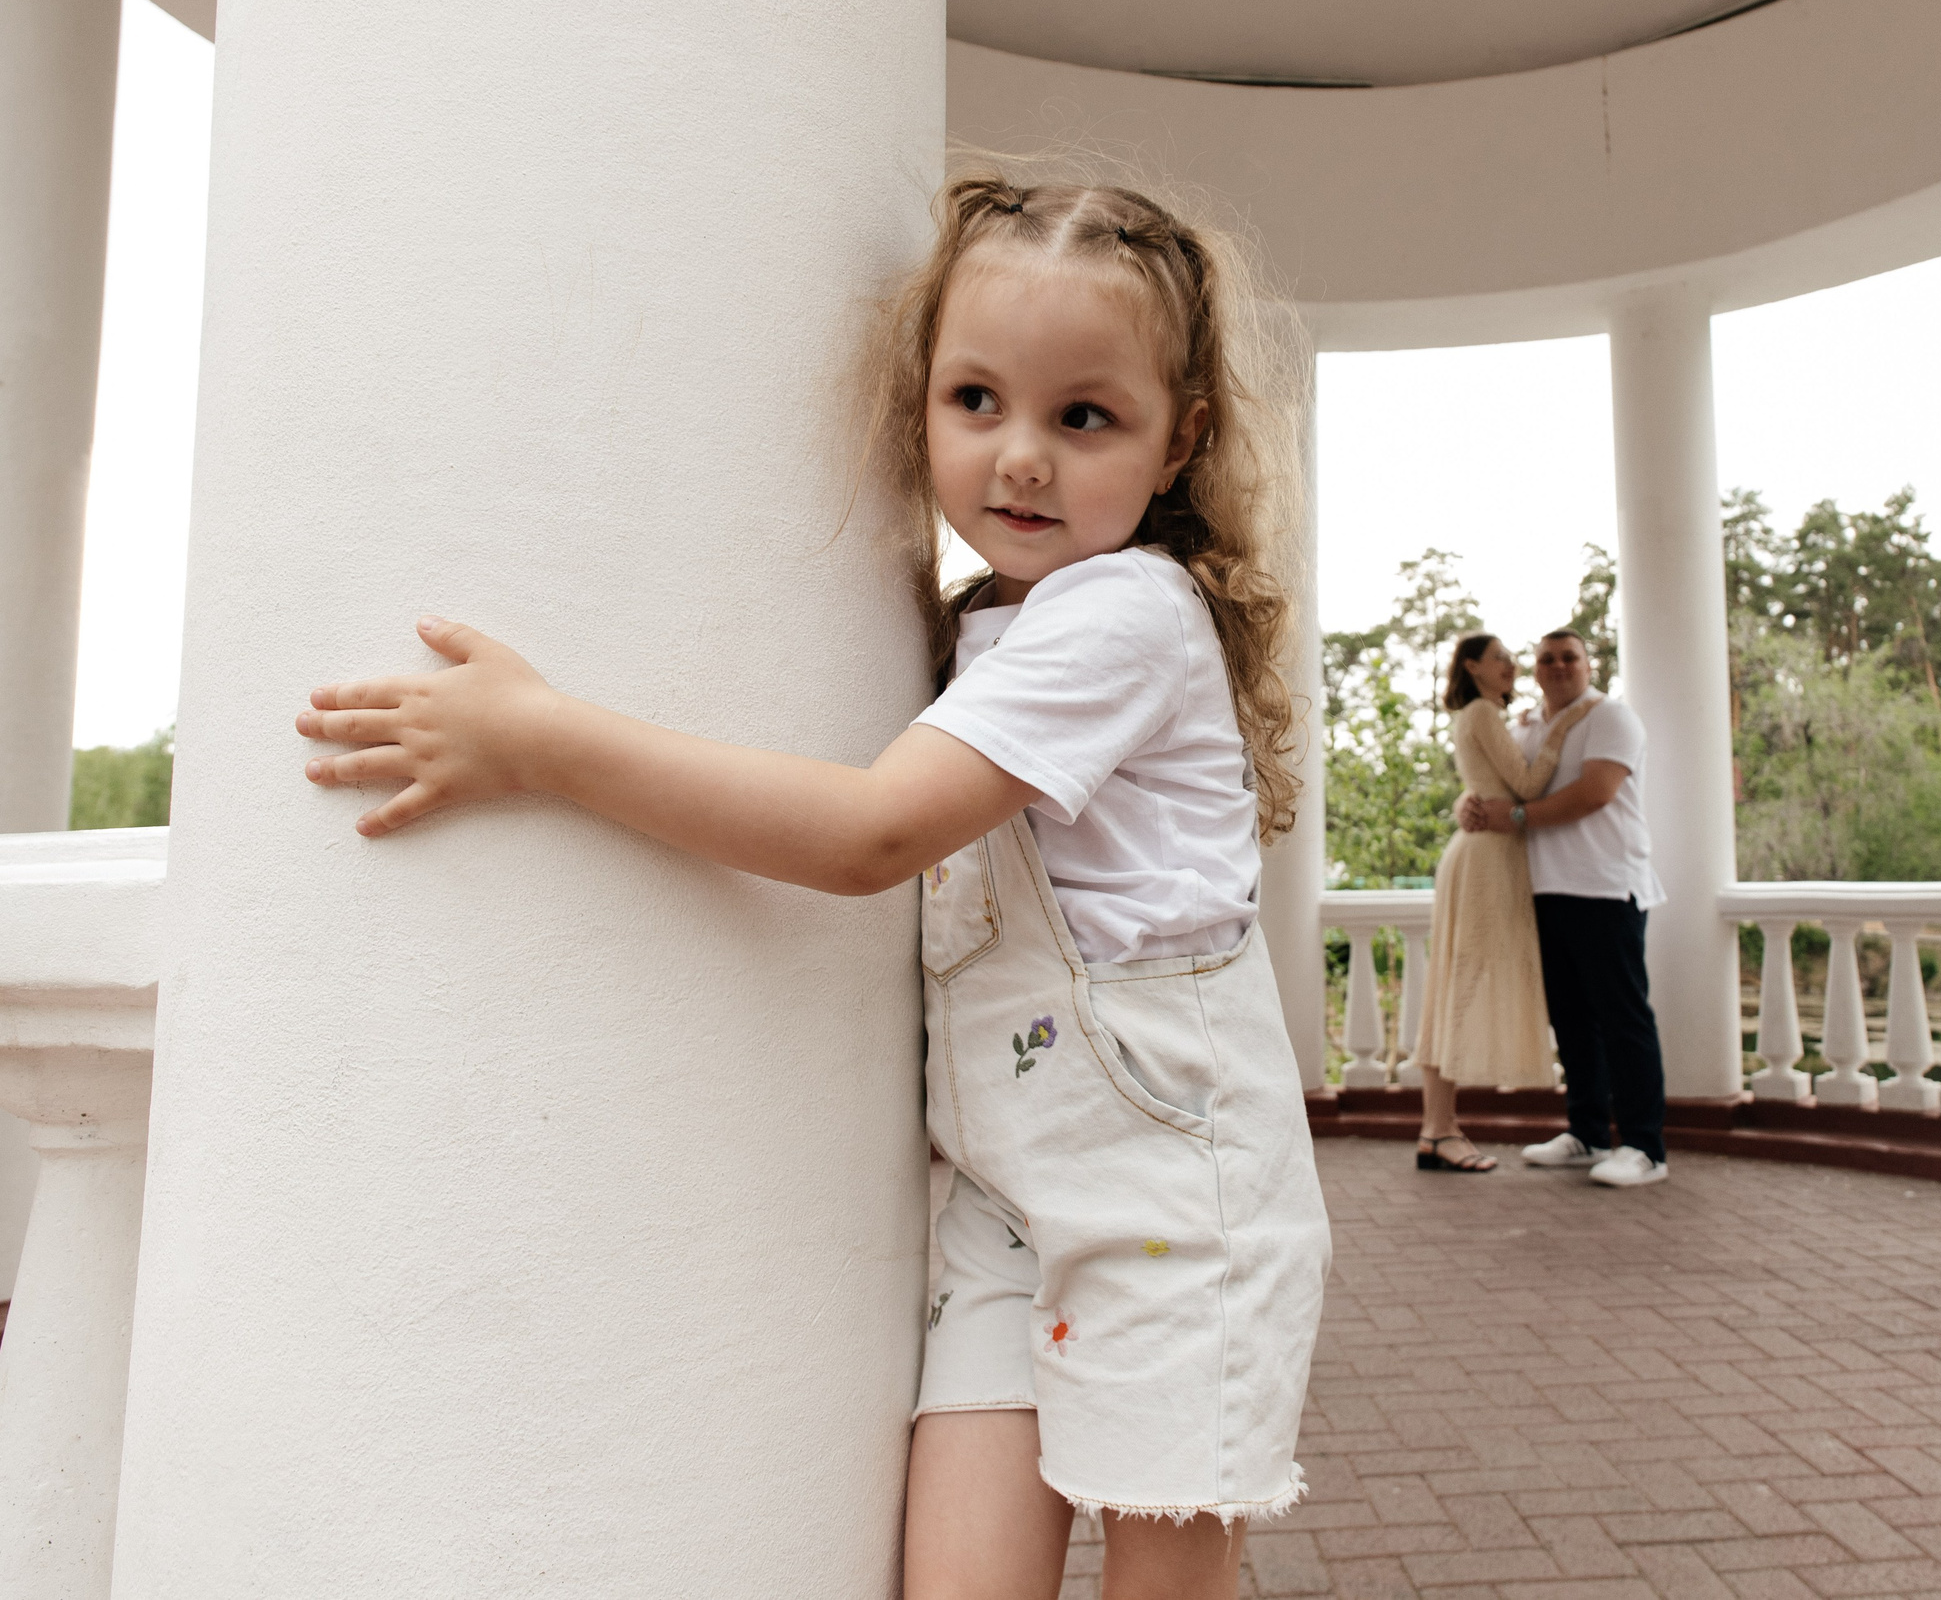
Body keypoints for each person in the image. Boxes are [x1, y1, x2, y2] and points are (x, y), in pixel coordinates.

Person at [293, 175, 1331, 1599]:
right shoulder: (992, 630)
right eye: (976, 398)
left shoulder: (1129, 613)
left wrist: (542, 736)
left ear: (1180, 441)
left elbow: (863, 836)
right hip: (1005, 1194)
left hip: (1176, 1190)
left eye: (1083, 416)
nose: (1020, 456)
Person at [1457, 629, 1668, 1189]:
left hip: (1605, 887)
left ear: (1588, 664)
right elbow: (1502, 781)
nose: (1557, 666)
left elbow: (1594, 792)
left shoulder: (1610, 717)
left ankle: (1646, 1147)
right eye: (1546, 658)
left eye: (1568, 657)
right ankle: (1588, 1133)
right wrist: (1471, 802)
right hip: (1543, 890)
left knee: (1623, 1018)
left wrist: (1517, 818)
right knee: (1572, 1020)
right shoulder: (1527, 726)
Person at [1409, 635, 1596, 1172]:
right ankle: (1438, 1130)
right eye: (1499, 659)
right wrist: (1562, 729)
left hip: (1486, 856)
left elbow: (1485, 783)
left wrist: (1467, 799)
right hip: (1489, 860)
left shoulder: (1481, 716)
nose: (1510, 666)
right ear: (1473, 667)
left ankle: (1437, 1129)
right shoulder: (1484, 713)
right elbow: (1529, 786)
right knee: (1460, 984)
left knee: (1454, 983)